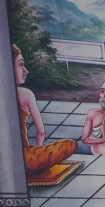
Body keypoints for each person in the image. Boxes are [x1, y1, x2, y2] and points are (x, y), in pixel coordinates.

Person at [11, 44, 77, 175]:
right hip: (23, 157)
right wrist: (37, 151)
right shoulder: (24, 94)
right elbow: (41, 132)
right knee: (70, 144)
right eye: (21, 65)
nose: (26, 71)